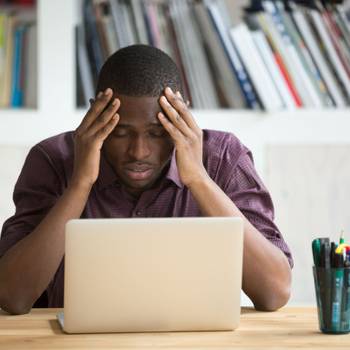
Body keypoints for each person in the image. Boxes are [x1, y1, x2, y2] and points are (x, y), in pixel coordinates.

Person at [0, 45, 293, 315]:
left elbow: (274, 292)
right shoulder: (53, 160)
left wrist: (199, 180)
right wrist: (81, 184)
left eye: (156, 132)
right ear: (96, 113)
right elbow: (13, 295)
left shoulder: (222, 158)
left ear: (182, 113)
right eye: (121, 132)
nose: (139, 152)